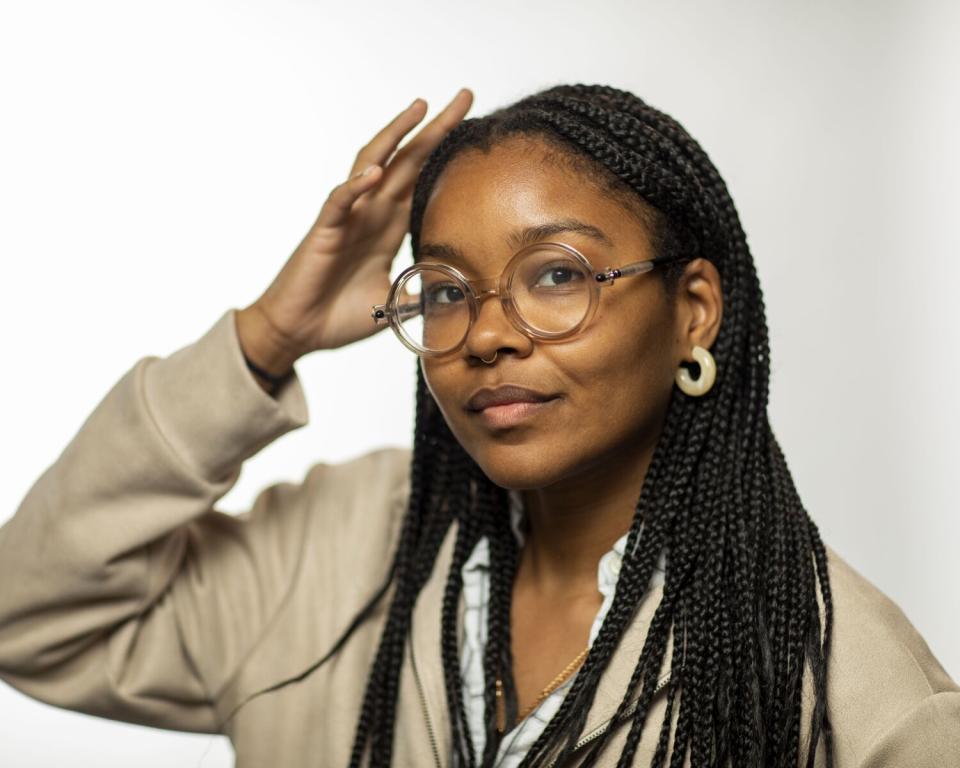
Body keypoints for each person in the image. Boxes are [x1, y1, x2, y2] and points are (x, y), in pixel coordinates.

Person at [0, 84, 957, 768]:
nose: (488, 333)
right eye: (450, 290)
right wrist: (264, 339)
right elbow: (31, 620)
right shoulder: (326, 552)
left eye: (557, 274)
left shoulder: (847, 682)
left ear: (694, 311)